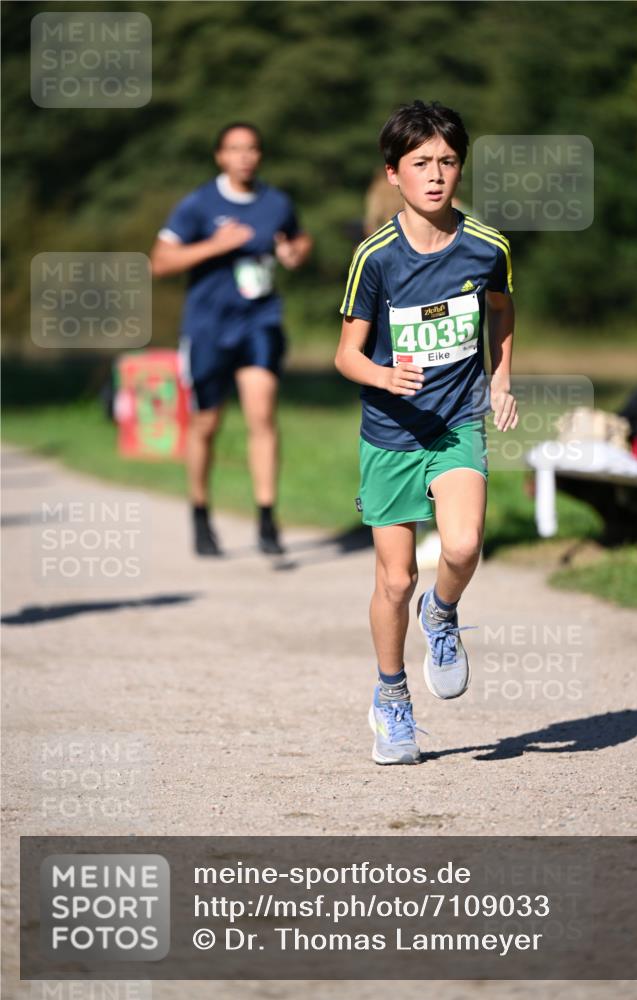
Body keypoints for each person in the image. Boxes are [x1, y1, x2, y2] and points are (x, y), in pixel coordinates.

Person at [335, 101, 518, 765]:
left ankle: (441, 615)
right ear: (393, 173)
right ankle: (391, 700)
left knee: (463, 545)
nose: (435, 175)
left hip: (456, 423)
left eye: (446, 161)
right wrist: (383, 377)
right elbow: (345, 355)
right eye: (420, 164)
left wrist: (499, 380)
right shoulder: (375, 257)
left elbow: (500, 311)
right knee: (393, 581)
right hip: (389, 432)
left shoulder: (486, 246)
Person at [150, 122, 312, 556]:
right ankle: (201, 514)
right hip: (208, 328)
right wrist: (214, 245)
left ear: (260, 155)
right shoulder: (198, 204)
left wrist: (293, 253)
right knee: (206, 424)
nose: (244, 156)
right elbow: (160, 262)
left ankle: (266, 519)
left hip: (259, 320)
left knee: (262, 414)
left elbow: (298, 239)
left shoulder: (276, 202)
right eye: (234, 149)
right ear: (220, 156)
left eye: (252, 148)